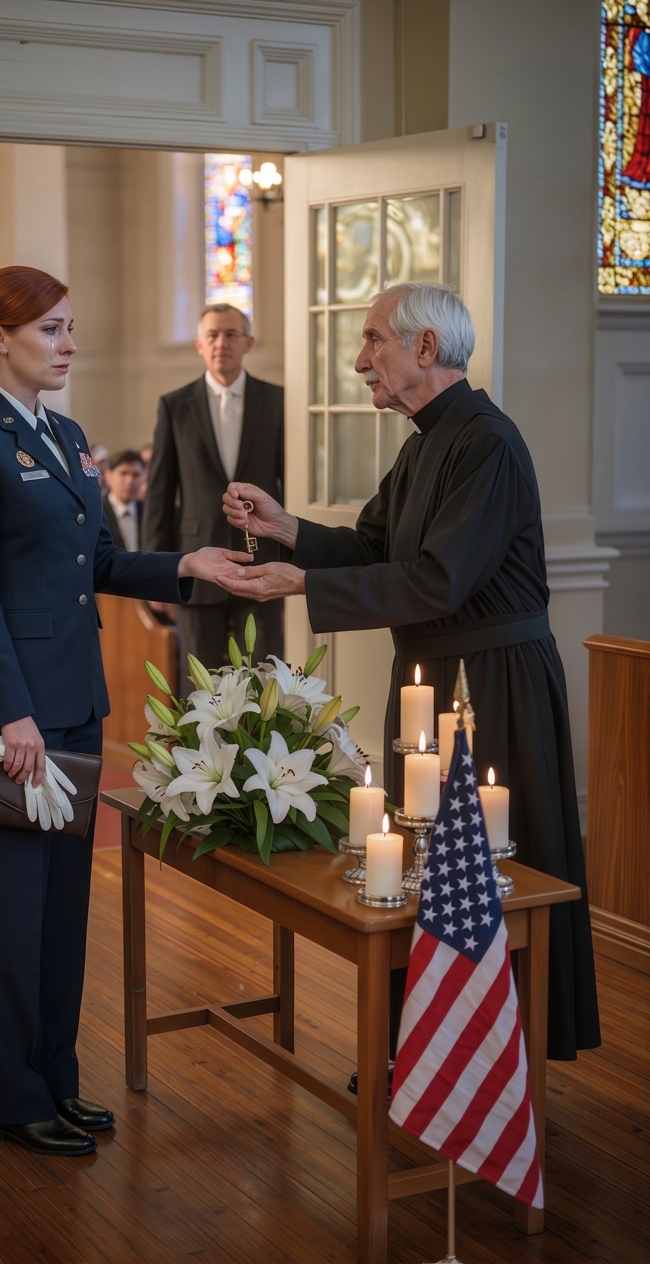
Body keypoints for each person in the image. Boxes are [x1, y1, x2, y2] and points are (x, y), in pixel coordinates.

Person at [220, 281, 600, 1064]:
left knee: (489, 872)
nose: (360, 361)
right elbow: (374, 550)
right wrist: (284, 527)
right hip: (436, 676)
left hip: (493, 687)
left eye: (373, 342)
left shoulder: (487, 441)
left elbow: (438, 580)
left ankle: (492, 1058)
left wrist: (302, 584)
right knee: (430, 865)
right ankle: (432, 1050)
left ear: (426, 348)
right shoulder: (426, 439)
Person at [0, 265, 250, 1159]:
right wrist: (10, 716)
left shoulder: (64, 435)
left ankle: (56, 1085)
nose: (70, 345)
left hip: (69, 705)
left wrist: (189, 564)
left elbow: (101, 561)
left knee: (62, 909)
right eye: (53, 330)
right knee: (9, 909)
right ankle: (11, 1098)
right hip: (10, 715)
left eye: (72, 329)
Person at [143, 303, 284, 670]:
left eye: (231, 334)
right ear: (199, 344)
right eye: (213, 335)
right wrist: (157, 574)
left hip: (262, 558)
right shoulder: (174, 405)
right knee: (199, 683)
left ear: (248, 342)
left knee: (265, 676)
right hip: (197, 561)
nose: (222, 342)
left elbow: (290, 485)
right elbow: (159, 493)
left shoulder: (278, 401)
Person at [101, 449, 144, 550]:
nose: (130, 481)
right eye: (123, 473)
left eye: (136, 475)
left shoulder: (148, 512)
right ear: (108, 476)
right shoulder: (98, 512)